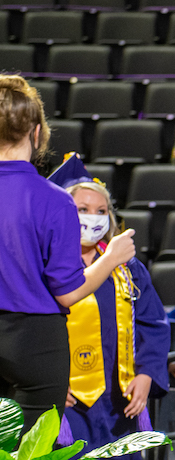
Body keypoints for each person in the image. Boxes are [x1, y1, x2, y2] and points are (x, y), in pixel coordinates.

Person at [0, 79, 136, 433]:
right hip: (34, 341)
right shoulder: (54, 199)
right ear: (36, 131)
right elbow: (68, 291)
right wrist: (111, 258)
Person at [50, 171, 170, 460]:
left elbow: (153, 323)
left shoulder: (128, 270)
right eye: (83, 208)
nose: (93, 217)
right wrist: (47, 379)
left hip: (119, 405)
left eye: (101, 211)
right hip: (66, 401)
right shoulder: (48, 263)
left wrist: (148, 374)